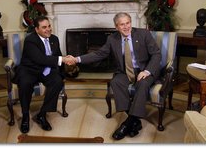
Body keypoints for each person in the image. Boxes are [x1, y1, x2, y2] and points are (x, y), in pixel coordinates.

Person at [68, 12, 161, 140]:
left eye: (128, 23)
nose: (126, 27)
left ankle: (127, 123)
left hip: (144, 70)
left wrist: (147, 71)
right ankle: (134, 122)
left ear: (131, 23)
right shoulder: (113, 39)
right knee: (116, 82)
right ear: (116, 27)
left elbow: (156, 54)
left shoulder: (143, 34)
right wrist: (77, 59)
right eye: (122, 24)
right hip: (125, 71)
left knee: (143, 84)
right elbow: (99, 54)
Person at [15, 16, 73, 133]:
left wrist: (63, 73)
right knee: (25, 83)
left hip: (46, 70)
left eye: (49, 26)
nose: (48, 29)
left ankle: (42, 114)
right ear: (37, 29)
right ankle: (25, 116)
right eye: (44, 27)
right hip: (30, 69)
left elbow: (58, 56)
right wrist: (63, 59)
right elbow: (40, 59)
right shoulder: (31, 40)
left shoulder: (54, 39)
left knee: (57, 81)